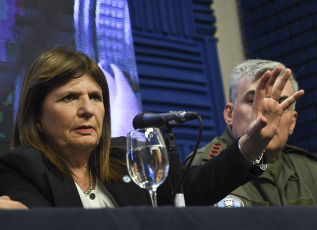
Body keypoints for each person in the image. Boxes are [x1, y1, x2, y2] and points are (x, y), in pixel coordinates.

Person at [0, 46, 152, 208]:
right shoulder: (21, 168)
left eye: (95, 97)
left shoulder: (126, 160)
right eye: (69, 98)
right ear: (37, 116)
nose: (88, 110)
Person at [182, 59, 317, 207]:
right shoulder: (204, 171)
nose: (268, 112)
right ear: (229, 114)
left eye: (282, 105)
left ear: (292, 122)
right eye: (253, 101)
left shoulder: (310, 169)